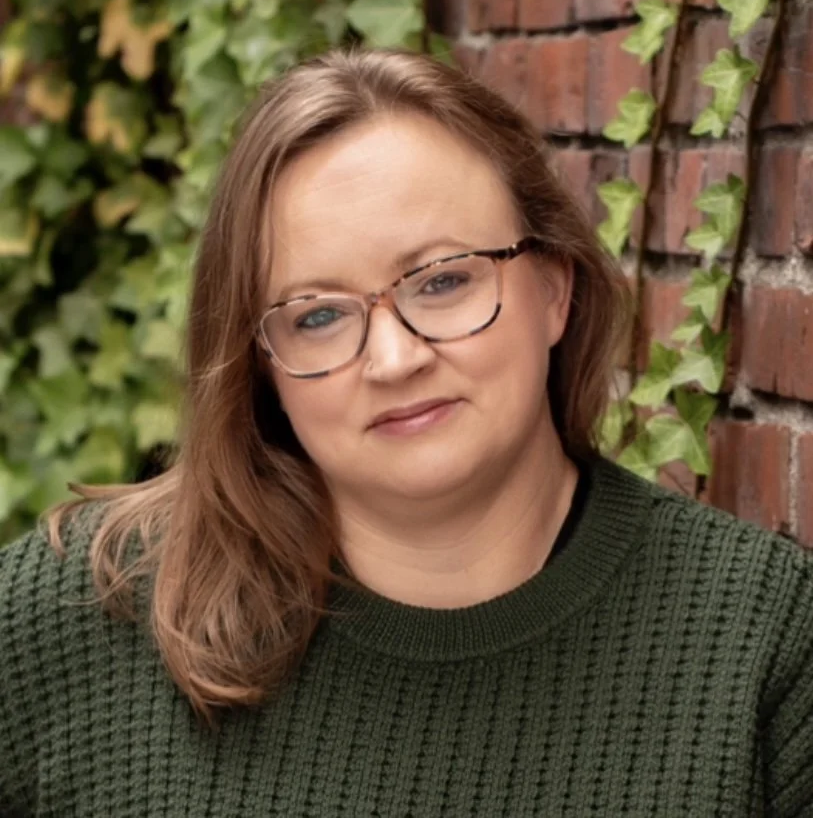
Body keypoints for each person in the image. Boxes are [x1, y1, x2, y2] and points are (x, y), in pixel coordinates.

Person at [1, 48, 812, 817]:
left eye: (444, 280)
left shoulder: (764, 641)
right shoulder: (67, 620)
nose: (393, 358)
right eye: (317, 315)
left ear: (555, 289)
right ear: (259, 363)